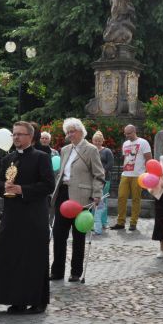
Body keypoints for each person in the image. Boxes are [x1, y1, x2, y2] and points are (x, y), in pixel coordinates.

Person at [0, 121, 54, 314]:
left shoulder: (41, 157)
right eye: (14, 134)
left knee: (33, 257)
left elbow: (48, 185)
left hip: (33, 215)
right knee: (11, 255)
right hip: (12, 214)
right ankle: (16, 299)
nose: (16, 138)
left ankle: (38, 300)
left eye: (20, 135)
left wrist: (22, 189)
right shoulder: (8, 159)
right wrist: (4, 188)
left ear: (30, 137)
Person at [50, 118, 105, 282]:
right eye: (67, 132)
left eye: (72, 131)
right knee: (59, 234)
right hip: (63, 194)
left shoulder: (91, 149)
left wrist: (97, 194)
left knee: (79, 235)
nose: (69, 134)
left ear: (81, 132)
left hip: (82, 196)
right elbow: (61, 173)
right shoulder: (65, 149)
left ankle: (76, 271)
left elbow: (99, 175)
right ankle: (57, 271)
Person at [110, 125, 152, 231]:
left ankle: (133, 222)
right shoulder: (125, 144)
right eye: (125, 133)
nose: (127, 135)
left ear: (134, 131)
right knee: (121, 197)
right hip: (125, 174)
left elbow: (149, 159)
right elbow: (126, 159)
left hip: (138, 175)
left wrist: (147, 173)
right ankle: (121, 222)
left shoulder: (143, 142)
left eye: (128, 133)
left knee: (136, 199)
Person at [92, 131, 114, 235]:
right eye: (95, 140)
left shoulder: (107, 151)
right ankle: (92, 221)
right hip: (92, 179)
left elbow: (110, 163)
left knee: (102, 201)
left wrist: (102, 171)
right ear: (92, 141)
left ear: (102, 141)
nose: (97, 142)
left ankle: (104, 222)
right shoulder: (90, 150)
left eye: (99, 141)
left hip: (105, 179)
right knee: (93, 201)